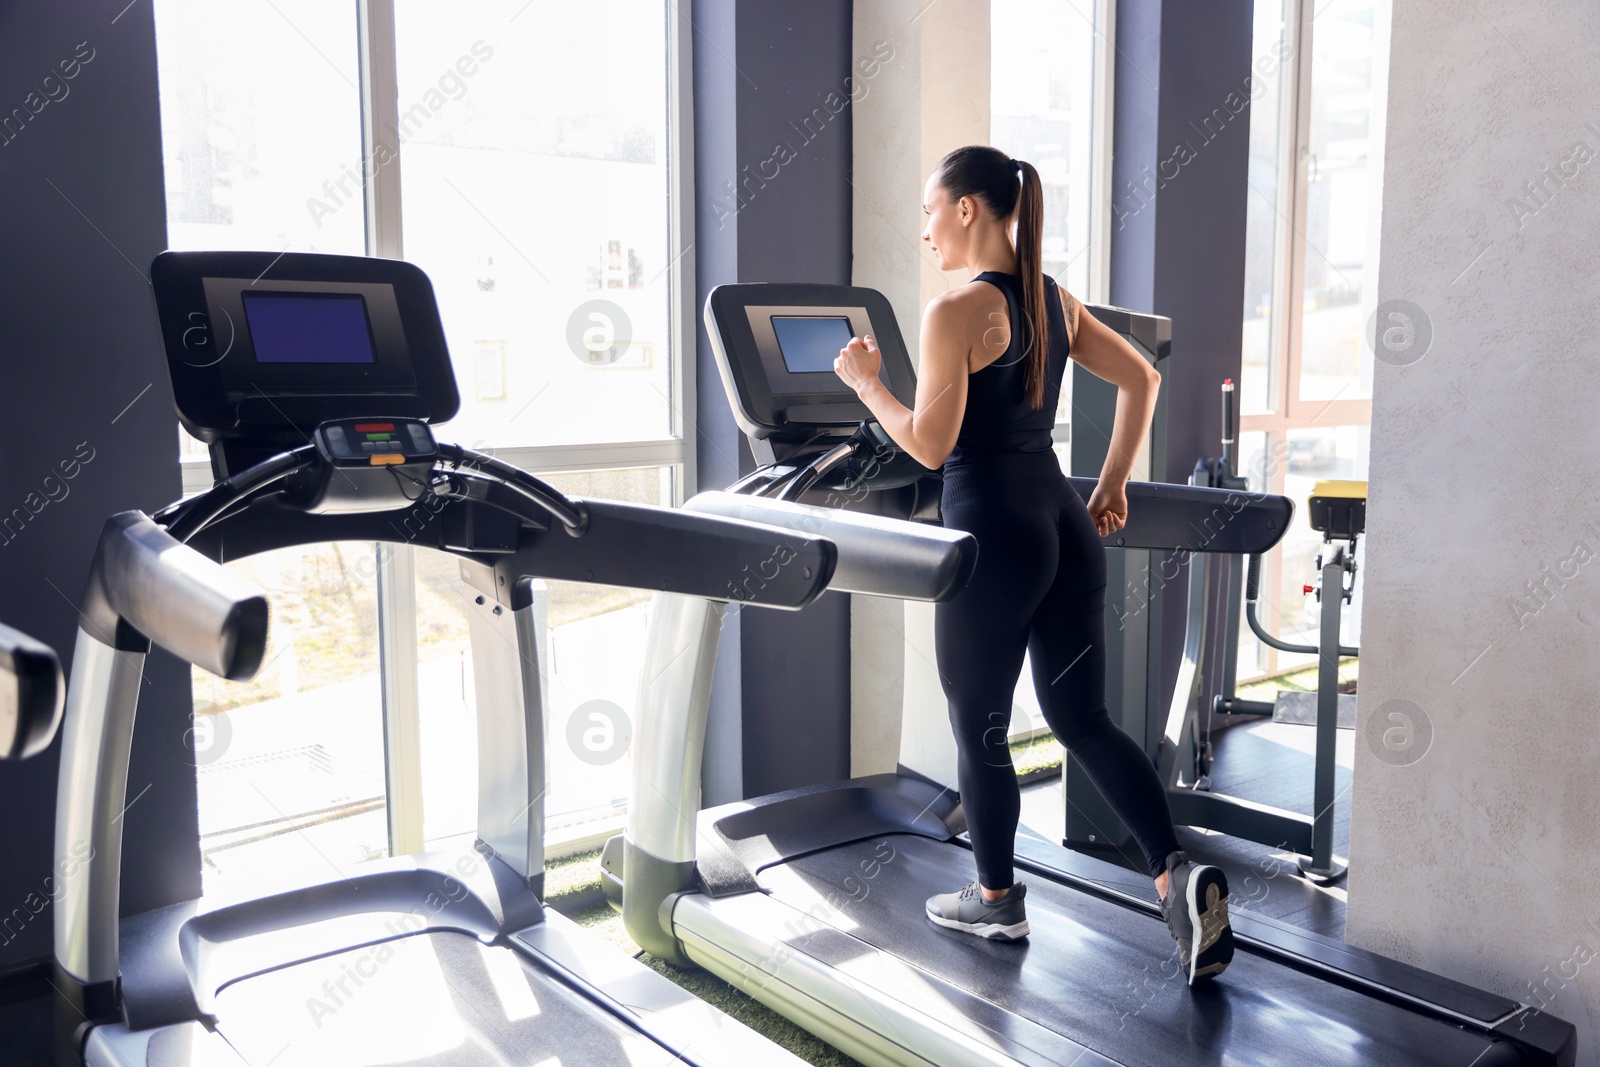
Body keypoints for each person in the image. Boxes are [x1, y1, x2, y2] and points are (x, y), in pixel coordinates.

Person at [832, 144, 1233, 985]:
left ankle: (997, 898)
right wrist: (1112, 483)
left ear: (969, 208)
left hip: (993, 534)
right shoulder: (1055, 300)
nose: (926, 231)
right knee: (1083, 718)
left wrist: (867, 384)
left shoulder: (955, 312)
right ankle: (1175, 873)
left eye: (932, 212)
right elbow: (1142, 382)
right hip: (1061, 520)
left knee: (980, 725)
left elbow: (933, 446)